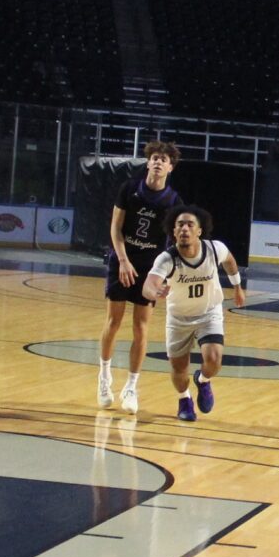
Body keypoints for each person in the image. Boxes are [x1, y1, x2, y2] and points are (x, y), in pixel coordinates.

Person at [98, 141, 182, 415]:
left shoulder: (173, 201)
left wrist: (166, 276)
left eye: (164, 160)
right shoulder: (129, 189)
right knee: (113, 322)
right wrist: (122, 260)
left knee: (141, 328)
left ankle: (131, 387)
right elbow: (115, 227)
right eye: (155, 158)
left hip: (150, 267)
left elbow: (174, 245)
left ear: (170, 168)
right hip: (123, 260)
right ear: (148, 162)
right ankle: (104, 376)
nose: (158, 162)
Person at [142, 206, 245, 422]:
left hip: (209, 313)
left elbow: (230, 261)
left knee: (214, 359)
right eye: (180, 225)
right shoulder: (167, 259)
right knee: (179, 368)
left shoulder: (215, 249)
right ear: (173, 231)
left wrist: (237, 286)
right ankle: (184, 399)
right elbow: (148, 285)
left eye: (190, 225)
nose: (184, 229)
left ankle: (203, 380)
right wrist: (155, 291)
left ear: (199, 231)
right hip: (179, 318)